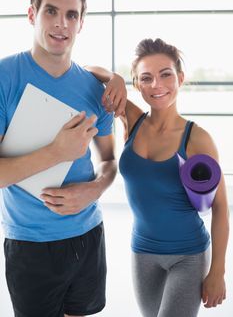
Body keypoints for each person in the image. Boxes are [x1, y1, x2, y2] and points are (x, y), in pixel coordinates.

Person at [0, 0, 117, 317]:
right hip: (30, 243)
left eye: (71, 15)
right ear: (32, 14)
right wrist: (56, 152)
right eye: (51, 10)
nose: (61, 23)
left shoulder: (97, 90)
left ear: (81, 23)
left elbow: (110, 162)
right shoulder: (6, 78)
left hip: (88, 234)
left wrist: (95, 189)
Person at [86, 38, 229, 317]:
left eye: (166, 74)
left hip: (189, 255)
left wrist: (218, 271)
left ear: (181, 78)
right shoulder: (132, 119)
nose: (157, 85)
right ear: (137, 85)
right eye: (146, 78)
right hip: (142, 253)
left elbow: (221, 208)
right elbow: (84, 71)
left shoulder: (197, 139)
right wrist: (113, 77)